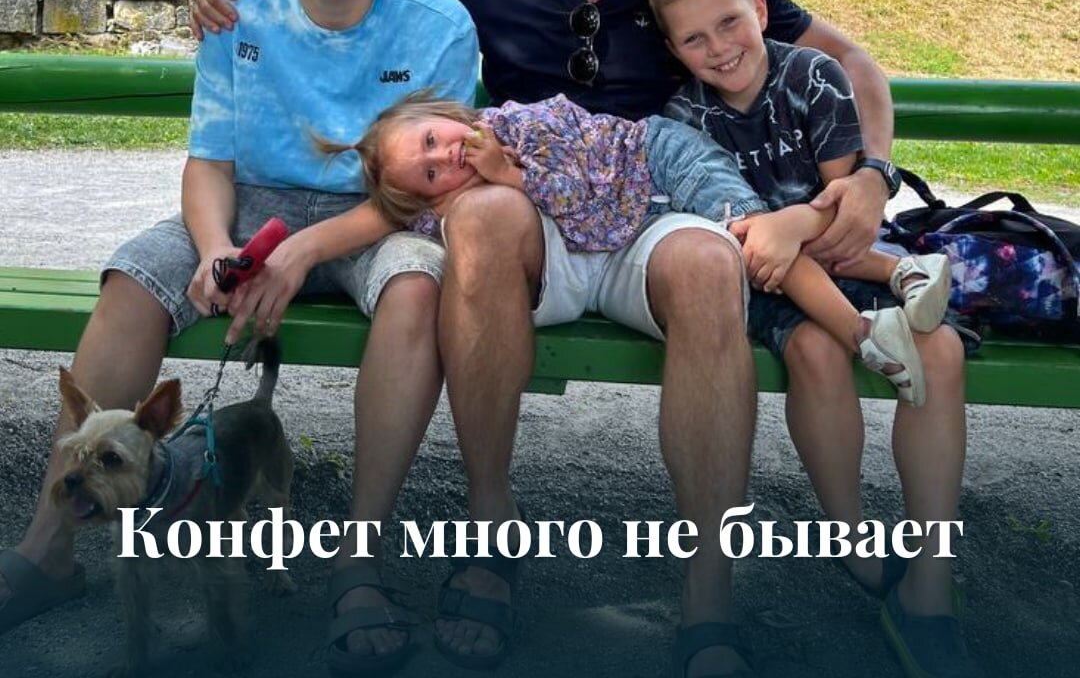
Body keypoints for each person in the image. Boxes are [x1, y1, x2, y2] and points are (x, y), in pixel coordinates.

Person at [185, 0, 974, 678]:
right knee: (481, 215)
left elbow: (852, 63)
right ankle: (491, 533)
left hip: (655, 203)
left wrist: (872, 175)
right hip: (528, 205)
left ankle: (707, 599)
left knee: (710, 264)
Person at [0, 0, 479, 678]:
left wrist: (303, 250)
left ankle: (357, 562)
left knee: (417, 286)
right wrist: (219, 245)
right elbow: (210, 160)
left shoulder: (438, 24)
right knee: (133, 277)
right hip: (249, 203)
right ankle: (49, 548)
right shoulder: (238, 11)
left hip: (379, 212)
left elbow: (429, 183)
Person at [347, 89, 947, 407]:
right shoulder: (453, 206)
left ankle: (871, 316)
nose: (444, 155)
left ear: (450, 114)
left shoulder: (522, 126)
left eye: (433, 137)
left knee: (756, 237)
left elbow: (575, 195)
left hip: (660, 160)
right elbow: (395, 222)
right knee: (758, 247)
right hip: (636, 214)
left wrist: (509, 176)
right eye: (429, 173)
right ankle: (893, 293)